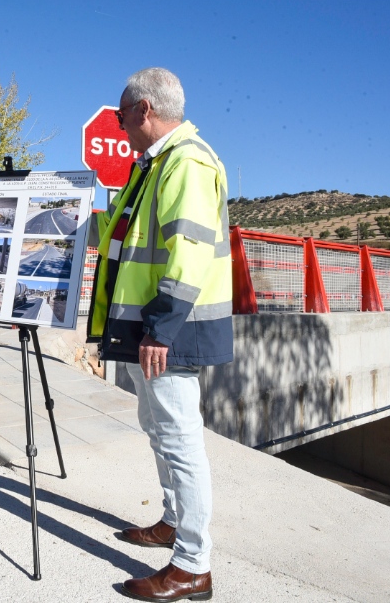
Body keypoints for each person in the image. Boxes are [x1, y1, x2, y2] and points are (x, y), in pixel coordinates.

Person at [87, 68, 232, 601]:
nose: (120, 123)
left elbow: (188, 249)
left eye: (123, 114)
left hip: (171, 328)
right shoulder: (157, 165)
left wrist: (161, 327)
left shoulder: (187, 163)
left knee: (179, 438)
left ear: (145, 109)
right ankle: (172, 520)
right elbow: (127, 236)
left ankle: (194, 564)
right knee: (158, 425)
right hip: (152, 326)